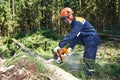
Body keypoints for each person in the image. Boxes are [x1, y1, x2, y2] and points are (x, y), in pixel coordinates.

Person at [53, 7, 101, 76]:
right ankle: (88, 73)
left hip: (92, 39)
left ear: (69, 16)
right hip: (88, 39)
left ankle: (90, 75)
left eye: (64, 19)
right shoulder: (75, 23)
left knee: (88, 58)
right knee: (86, 58)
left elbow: (72, 35)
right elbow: (77, 36)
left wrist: (59, 46)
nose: (64, 22)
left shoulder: (78, 22)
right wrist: (70, 48)